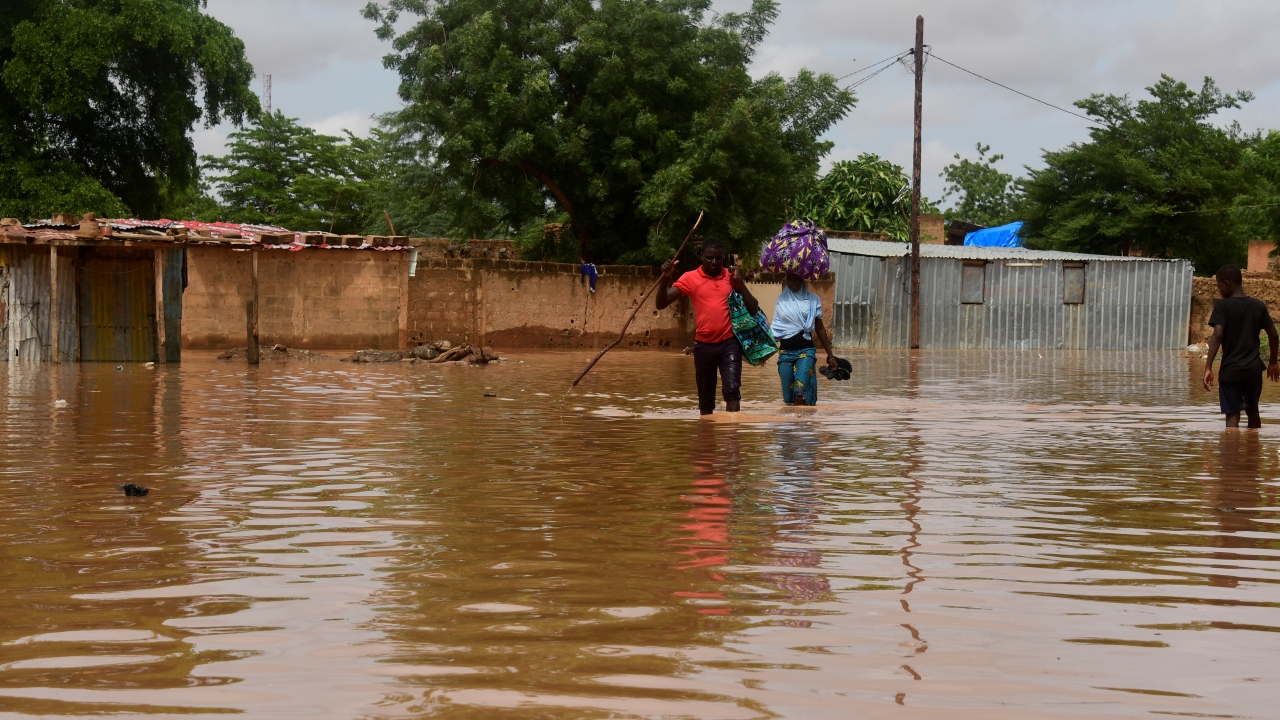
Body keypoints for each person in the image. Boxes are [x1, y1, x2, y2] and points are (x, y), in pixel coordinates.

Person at [657, 239, 760, 415]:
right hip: (703, 346)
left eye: (718, 259)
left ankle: (732, 439)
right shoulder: (690, 278)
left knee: (732, 392)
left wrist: (740, 283)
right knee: (705, 400)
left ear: (723, 259)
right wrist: (664, 278)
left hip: (729, 343)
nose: (714, 262)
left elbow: (753, 309)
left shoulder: (731, 277)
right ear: (702, 257)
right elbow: (661, 303)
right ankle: (706, 439)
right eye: (709, 258)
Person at [1203, 264, 1280, 429]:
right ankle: (1253, 451)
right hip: (1253, 369)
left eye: (1219, 286)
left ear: (1228, 283)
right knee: (1253, 411)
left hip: (1230, 370)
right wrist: (1273, 362)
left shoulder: (1222, 307)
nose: (1219, 290)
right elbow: (1273, 334)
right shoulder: (1258, 305)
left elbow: (1217, 335)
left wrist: (1208, 367)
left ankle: (1231, 452)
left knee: (1232, 415)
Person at [771, 273, 837, 406]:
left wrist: (830, 356)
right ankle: (795, 425)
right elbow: (776, 328)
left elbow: (820, 329)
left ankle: (801, 424)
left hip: (806, 352)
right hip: (785, 353)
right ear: (786, 280)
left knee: (799, 394)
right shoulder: (781, 301)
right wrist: (763, 354)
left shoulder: (813, 300)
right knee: (788, 398)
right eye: (790, 279)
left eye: (797, 279)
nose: (794, 282)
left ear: (802, 280)